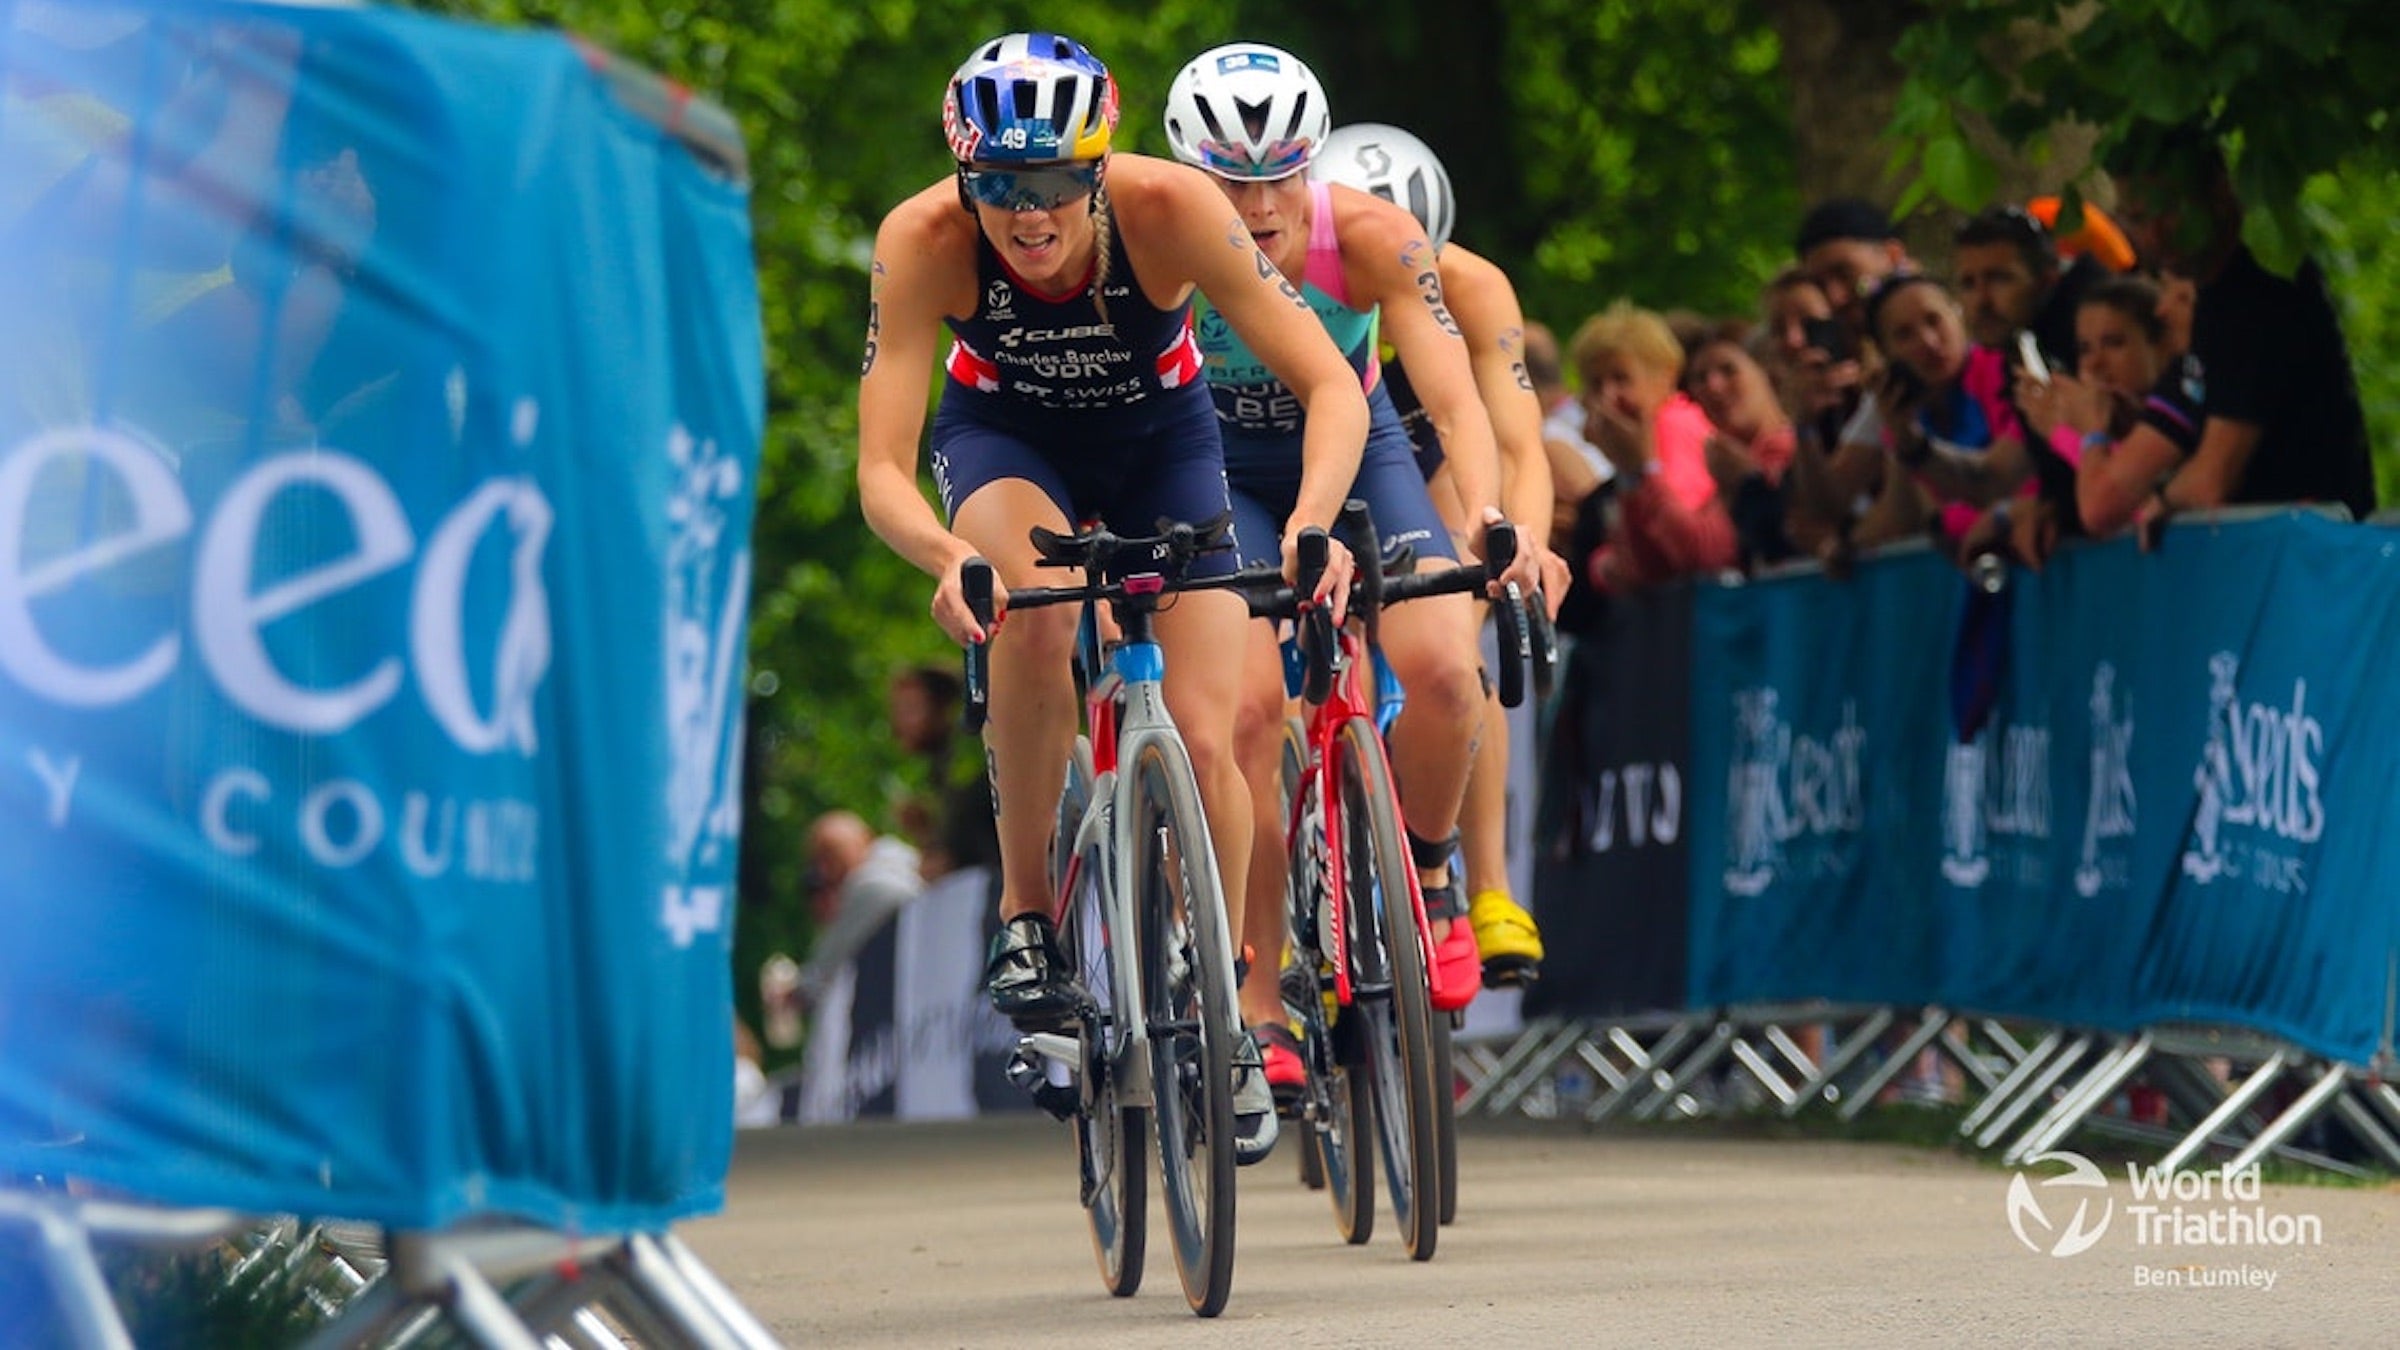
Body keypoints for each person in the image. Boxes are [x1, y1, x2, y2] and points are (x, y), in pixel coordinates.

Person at [856, 32, 1372, 1162]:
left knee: (1210, 731)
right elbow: (882, 468)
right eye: (997, 186)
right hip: (1007, 441)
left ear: (1099, 168)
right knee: (1028, 617)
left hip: (1165, 447)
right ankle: (1030, 918)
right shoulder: (924, 240)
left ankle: (1228, 1004)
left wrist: (1312, 523)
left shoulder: (1173, 209)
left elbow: (1330, 379)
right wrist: (948, 559)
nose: (1026, 217)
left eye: (1051, 186)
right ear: (963, 178)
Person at [1163, 47, 1535, 1093]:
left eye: (1283, 171)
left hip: (1360, 449)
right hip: (1221, 471)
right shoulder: (1167, 244)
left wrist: (1489, 514)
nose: (1262, 200)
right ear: (1194, 176)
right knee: (1243, 715)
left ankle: (1427, 865)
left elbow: (1455, 403)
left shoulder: (1371, 237)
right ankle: (1260, 991)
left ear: (1317, 163)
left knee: (1450, 671)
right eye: (1232, 180)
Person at [1312, 119, 1558, 991]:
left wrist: (1517, 542)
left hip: (1427, 466)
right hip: (1305, 467)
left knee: (1458, 646)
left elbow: (1520, 446)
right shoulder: (1278, 275)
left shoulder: (1472, 288)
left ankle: (1481, 883)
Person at [2107, 123, 2376, 540]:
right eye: (2139, 218)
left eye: (2171, 208)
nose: (2155, 233)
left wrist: (2162, 500)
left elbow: (2211, 481)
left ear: (2220, 190)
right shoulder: (2216, 296)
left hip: (2308, 562)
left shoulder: (2257, 292)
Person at [1563, 301, 1739, 602]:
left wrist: (1608, 563)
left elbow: (1677, 545)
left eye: (1621, 378)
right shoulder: (1643, 440)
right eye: (1596, 383)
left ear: (1664, 376)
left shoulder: (1675, 428)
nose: (1608, 396)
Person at [791, 811, 924, 1010]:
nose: (823, 870)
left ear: (863, 841)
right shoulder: (907, 865)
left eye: (829, 855)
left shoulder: (872, 885)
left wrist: (793, 992)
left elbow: (824, 974)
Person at [884, 663, 998, 880]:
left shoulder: (967, 759)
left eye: (910, 710)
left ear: (944, 707)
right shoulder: (943, 765)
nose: (898, 724)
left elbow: (963, 848)